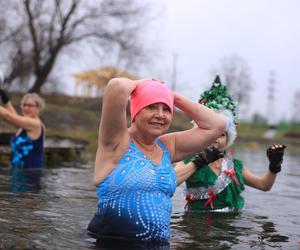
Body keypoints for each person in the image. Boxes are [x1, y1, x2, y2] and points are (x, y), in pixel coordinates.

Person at [87, 77, 227, 244]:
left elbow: (217, 125)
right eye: (151, 106)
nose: (160, 115)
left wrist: (172, 96)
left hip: (158, 244)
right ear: (136, 111)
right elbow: (116, 87)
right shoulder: (117, 141)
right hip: (109, 242)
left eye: (166, 109)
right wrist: (144, 84)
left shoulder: (168, 147)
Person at [175, 75, 286, 212]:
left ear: (228, 139)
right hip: (198, 227)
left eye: (221, 135)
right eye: (211, 133)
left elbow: (264, 185)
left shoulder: (235, 166)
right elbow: (170, 182)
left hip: (230, 225)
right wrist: (200, 161)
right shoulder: (188, 160)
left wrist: (273, 167)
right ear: (200, 135)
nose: (216, 139)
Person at [0, 89, 45, 169]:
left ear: (38, 108)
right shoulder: (24, 126)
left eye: (30, 105)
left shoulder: (35, 124)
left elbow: (8, 117)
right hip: (18, 173)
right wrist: (6, 100)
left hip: (30, 176)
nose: (26, 108)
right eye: (24, 105)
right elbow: (14, 117)